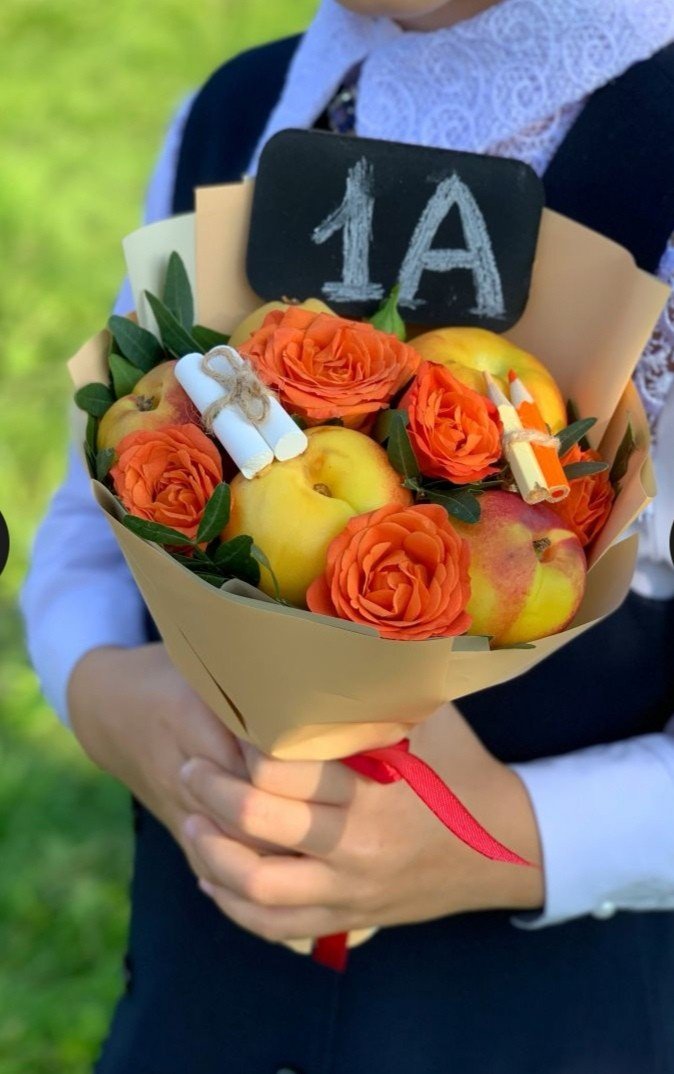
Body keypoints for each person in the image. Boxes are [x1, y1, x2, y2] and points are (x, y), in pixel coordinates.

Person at [21, 1, 674, 1071]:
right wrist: (107, 697)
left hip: (540, 1025)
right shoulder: (239, 111)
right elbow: (82, 529)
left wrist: (509, 839)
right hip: (200, 1012)